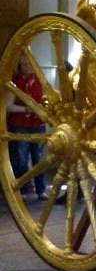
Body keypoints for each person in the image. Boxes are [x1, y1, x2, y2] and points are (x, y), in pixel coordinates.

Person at [8, 55, 47, 200]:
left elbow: (46, 101)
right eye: (24, 64)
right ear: (19, 67)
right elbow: (8, 107)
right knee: (22, 158)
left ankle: (41, 189)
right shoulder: (15, 83)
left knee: (39, 158)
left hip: (38, 124)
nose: (27, 66)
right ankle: (23, 189)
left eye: (29, 63)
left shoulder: (40, 81)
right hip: (21, 125)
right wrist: (25, 109)